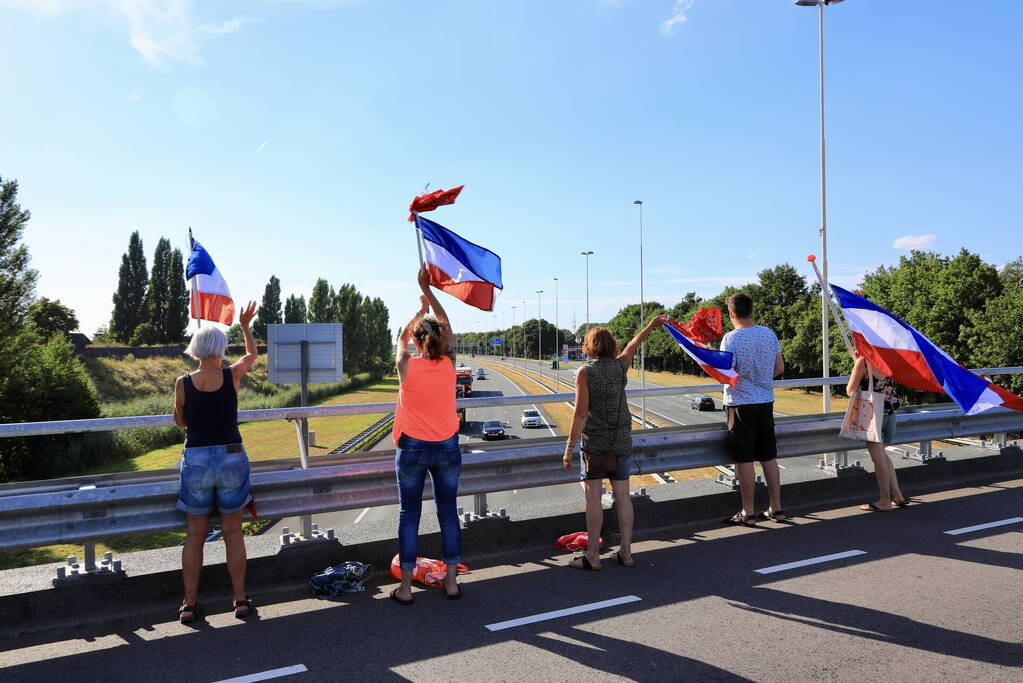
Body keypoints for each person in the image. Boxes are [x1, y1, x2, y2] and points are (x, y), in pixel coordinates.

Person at [173, 300, 258, 623]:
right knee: (233, 532)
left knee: (195, 534)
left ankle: (190, 604)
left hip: (195, 457)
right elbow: (251, 356)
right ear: (220, 348)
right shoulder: (231, 375)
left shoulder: (182, 383)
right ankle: (239, 600)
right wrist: (246, 325)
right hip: (231, 456)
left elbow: (180, 421)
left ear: (195, 349)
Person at [563, 314, 668, 570]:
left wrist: (569, 447)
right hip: (621, 440)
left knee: (593, 499)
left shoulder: (585, 372)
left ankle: (592, 557)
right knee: (623, 497)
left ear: (589, 346)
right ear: (611, 346)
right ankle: (626, 553)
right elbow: (633, 344)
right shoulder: (621, 366)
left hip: (596, 444)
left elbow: (580, 413)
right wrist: (651, 325)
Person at [390, 267, 462, 604]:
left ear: (418, 342)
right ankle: (450, 582)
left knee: (409, 516)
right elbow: (445, 324)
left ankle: (405, 588)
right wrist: (429, 294)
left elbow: (401, 340)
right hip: (447, 445)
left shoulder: (407, 364)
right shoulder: (448, 364)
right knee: (448, 514)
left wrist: (418, 311)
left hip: (412, 448)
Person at [720, 292, 785, 526]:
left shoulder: (730, 339)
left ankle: (748, 512)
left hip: (739, 405)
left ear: (731, 313)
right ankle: (776, 508)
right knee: (769, 456)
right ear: (751, 310)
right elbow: (779, 368)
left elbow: (727, 374)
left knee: (745, 459)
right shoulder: (768, 334)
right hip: (765, 402)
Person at [846, 352, 908, 512]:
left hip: (873, 415)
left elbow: (850, 390)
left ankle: (884, 501)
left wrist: (857, 365)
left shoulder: (864, 362)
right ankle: (898, 495)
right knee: (883, 455)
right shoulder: (890, 356)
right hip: (891, 414)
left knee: (878, 458)